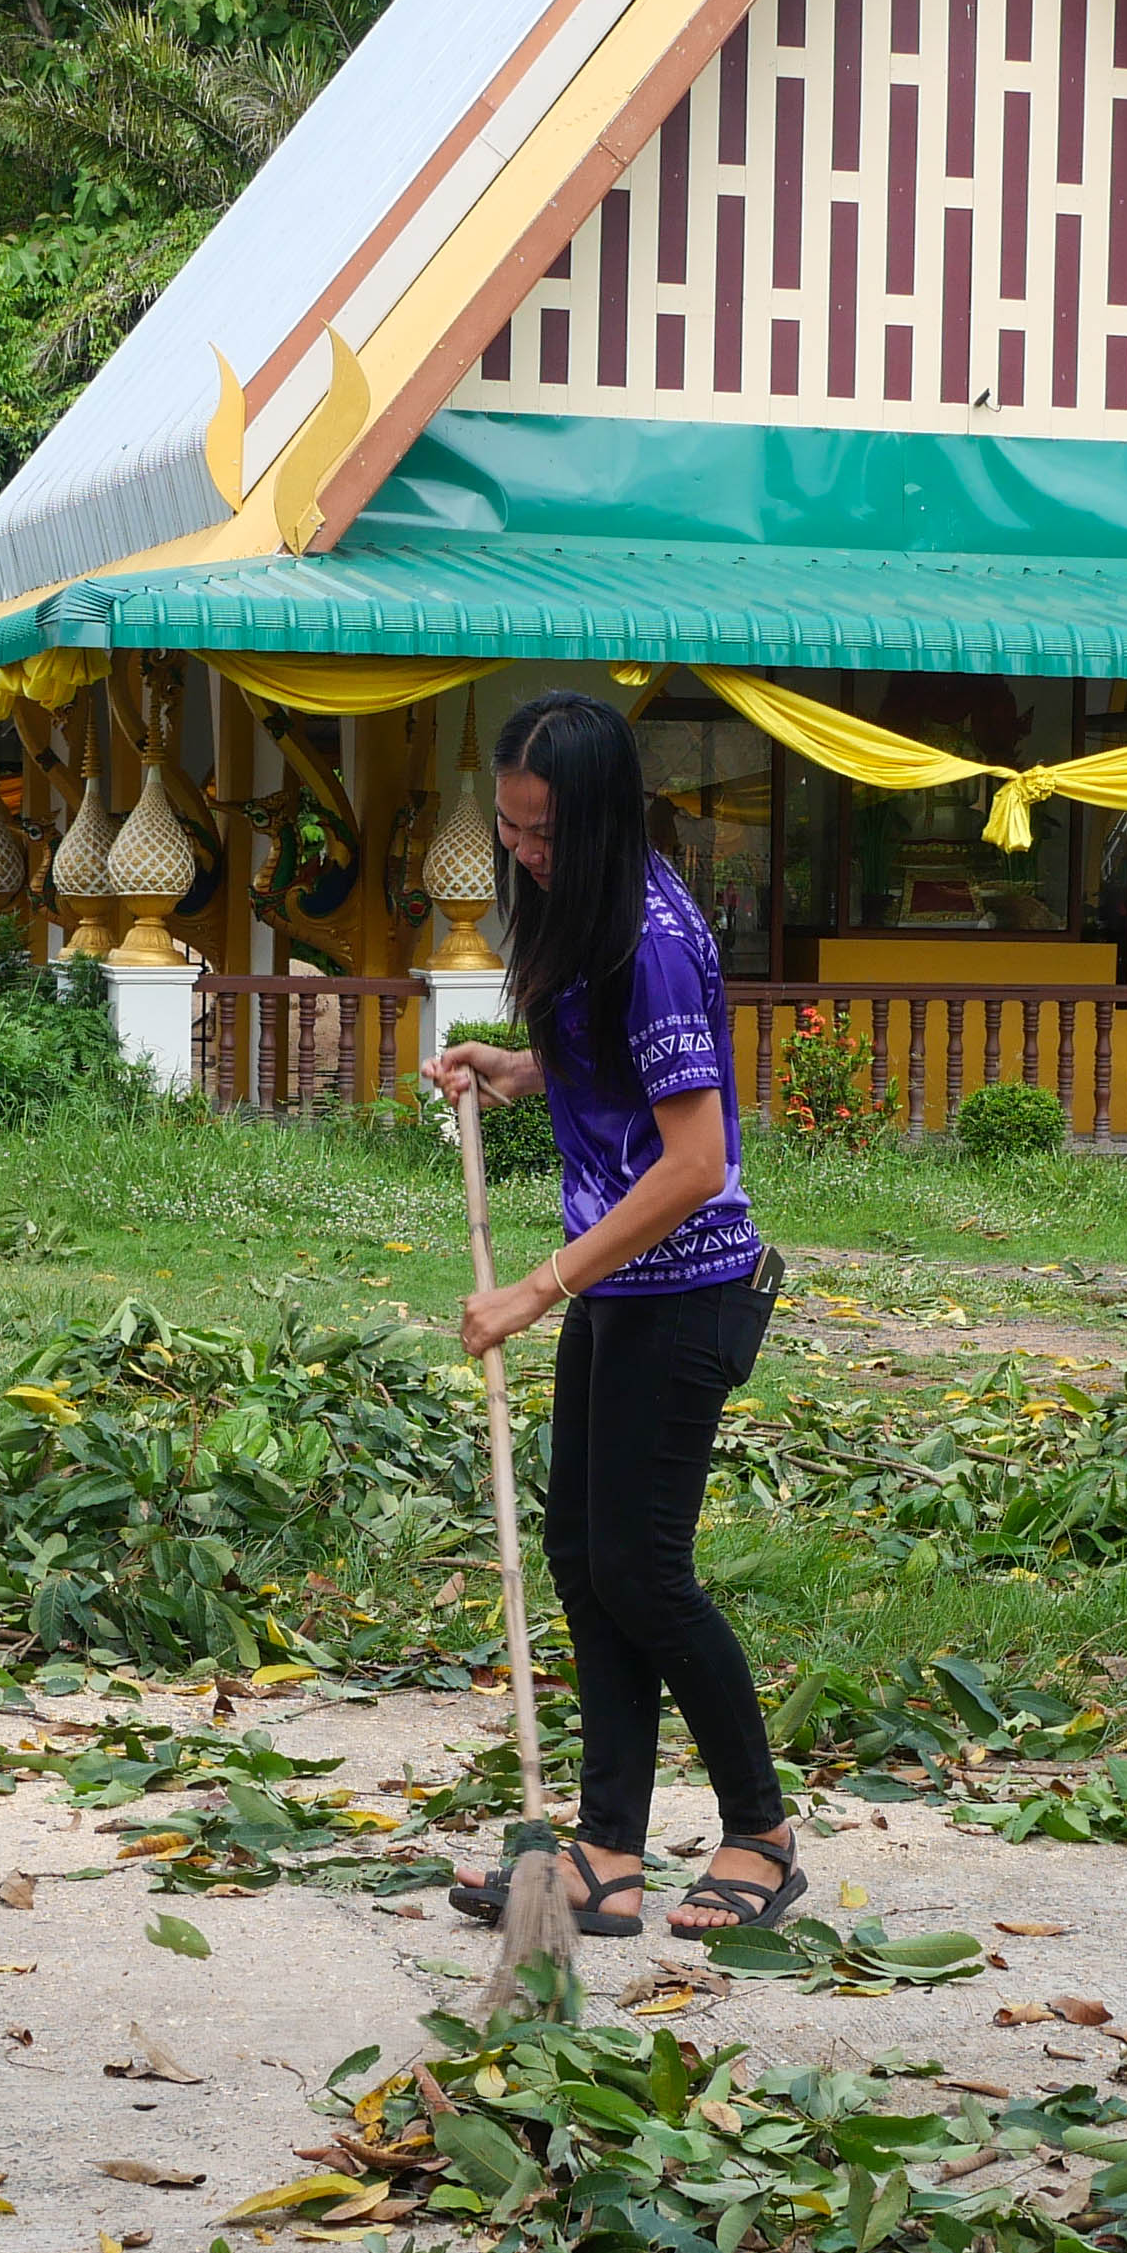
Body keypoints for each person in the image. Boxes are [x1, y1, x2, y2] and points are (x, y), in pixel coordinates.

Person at [428, 692, 795, 1944]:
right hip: (620, 1283)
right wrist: (518, 1067)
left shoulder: (653, 939)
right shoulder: (589, 909)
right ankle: (607, 1851)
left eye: (543, 832)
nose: (524, 851)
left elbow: (694, 1160)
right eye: (510, 826)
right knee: (587, 1561)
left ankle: (761, 1834)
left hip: (685, 1289)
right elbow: (618, 1067)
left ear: (596, 823)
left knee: (644, 1570)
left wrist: (536, 1289)